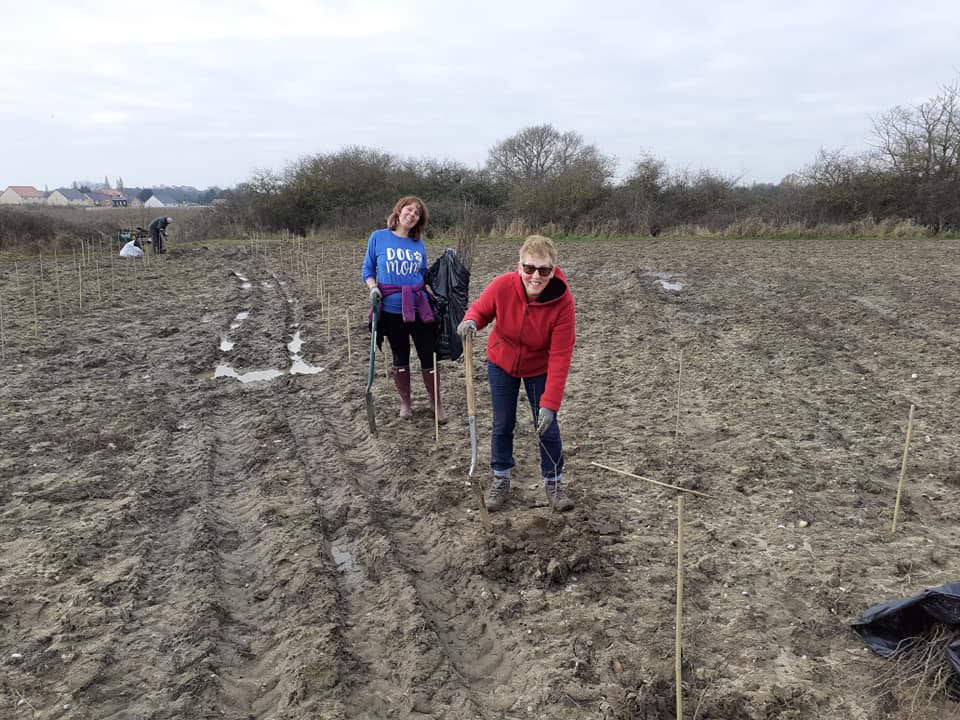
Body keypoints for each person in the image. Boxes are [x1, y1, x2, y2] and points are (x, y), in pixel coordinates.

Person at [457, 235, 577, 511]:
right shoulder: (503, 285)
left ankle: (554, 483)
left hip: (540, 367)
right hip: (502, 362)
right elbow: (481, 309)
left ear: (553, 269)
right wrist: (471, 321)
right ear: (519, 265)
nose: (536, 276)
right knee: (503, 423)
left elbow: (560, 356)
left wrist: (550, 404)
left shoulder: (563, 303)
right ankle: (500, 479)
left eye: (544, 270)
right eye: (529, 268)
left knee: (546, 425)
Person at [362, 196, 447, 423]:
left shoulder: (418, 244)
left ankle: (436, 403)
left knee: (428, 355)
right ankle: (405, 403)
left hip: (419, 308)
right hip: (390, 310)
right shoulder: (378, 238)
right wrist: (373, 289)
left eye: (417, 213)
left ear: (419, 220)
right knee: (400, 355)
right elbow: (368, 269)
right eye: (409, 210)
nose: (412, 215)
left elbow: (422, 274)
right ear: (399, 210)